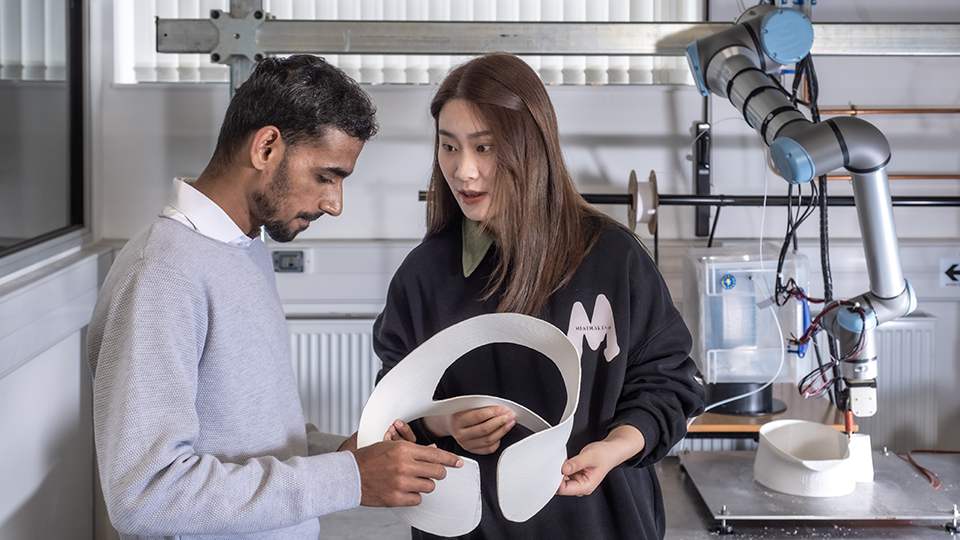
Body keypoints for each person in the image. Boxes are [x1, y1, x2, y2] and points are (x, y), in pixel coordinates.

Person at [87, 55, 462, 540]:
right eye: (326, 176)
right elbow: (146, 495)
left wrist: (346, 454)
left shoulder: (243, 250)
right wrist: (349, 478)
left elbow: (247, 441)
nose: (335, 203)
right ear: (266, 147)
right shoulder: (161, 274)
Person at [373, 52, 705, 540]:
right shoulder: (423, 276)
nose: (463, 171)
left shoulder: (612, 258)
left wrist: (614, 447)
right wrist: (446, 425)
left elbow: (671, 384)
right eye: (449, 147)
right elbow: (394, 413)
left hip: (603, 522)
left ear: (532, 146)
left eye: (484, 148)